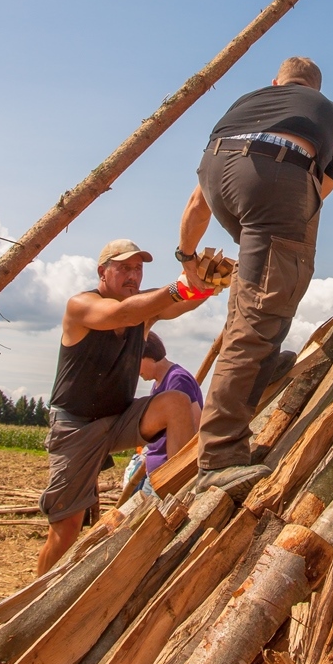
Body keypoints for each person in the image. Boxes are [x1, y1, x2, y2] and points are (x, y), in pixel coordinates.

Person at [176, 56, 333, 501]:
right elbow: (315, 193)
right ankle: (219, 455)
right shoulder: (332, 116)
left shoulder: (249, 101)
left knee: (256, 284)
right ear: (316, 89)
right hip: (279, 174)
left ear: (277, 82)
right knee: (271, 292)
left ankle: (256, 365)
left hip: (217, 172)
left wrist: (188, 257)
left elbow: (199, 200)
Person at [37, 239, 214, 574]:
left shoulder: (142, 312)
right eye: (124, 268)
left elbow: (181, 303)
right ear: (103, 271)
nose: (133, 275)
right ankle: (31, 605)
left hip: (119, 417)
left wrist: (209, 284)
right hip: (77, 426)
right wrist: (183, 283)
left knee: (176, 403)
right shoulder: (82, 305)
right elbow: (123, 313)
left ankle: (178, 498)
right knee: (66, 528)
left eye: (138, 268)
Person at [140, 330, 203, 484]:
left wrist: (175, 472)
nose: (136, 371)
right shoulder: (157, 384)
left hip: (168, 475)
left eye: (136, 362)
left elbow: (195, 423)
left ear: (149, 357)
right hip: (157, 473)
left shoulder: (177, 380)